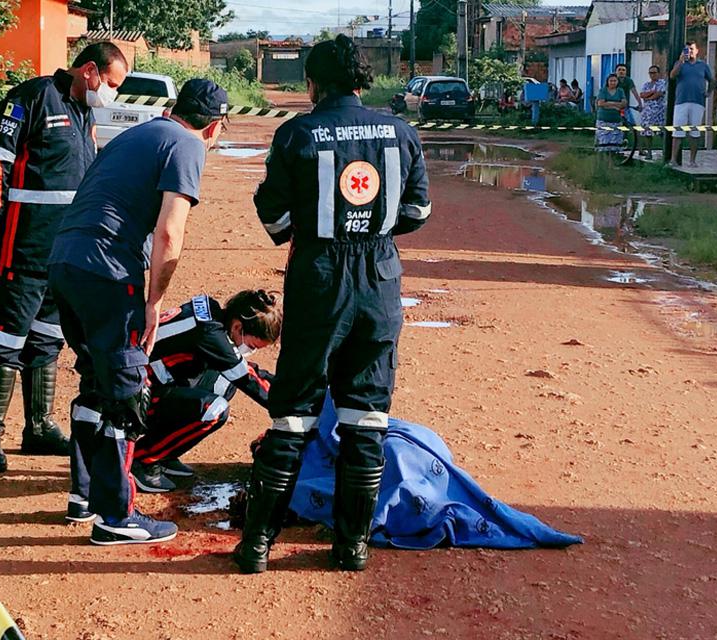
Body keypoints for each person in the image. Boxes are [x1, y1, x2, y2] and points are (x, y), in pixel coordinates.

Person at [236, 33, 431, 574]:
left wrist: (318, 227)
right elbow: (418, 213)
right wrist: (372, 230)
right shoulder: (401, 133)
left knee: (292, 413)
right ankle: (352, 548)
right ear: (363, 80)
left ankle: (256, 548)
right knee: (366, 417)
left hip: (318, 277)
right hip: (380, 279)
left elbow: (272, 215)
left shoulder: (296, 134)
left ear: (312, 82)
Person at [47, 79, 228, 544]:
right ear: (214, 125)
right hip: (110, 269)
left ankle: (83, 497)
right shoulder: (188, 144)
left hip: (66, 260)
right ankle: (117, 517)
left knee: (95, 380)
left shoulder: (139, 134)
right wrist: (154, 302)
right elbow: (170, 233)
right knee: (128, 391)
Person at [0, 43, 128, 473]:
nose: (108, 94)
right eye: (108, 84)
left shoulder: (84, 113)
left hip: (65, 252)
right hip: (22, 244)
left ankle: (39, 426)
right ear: (89, 70)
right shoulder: (32, 97)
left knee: (46, 337)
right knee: (4, 337)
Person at [129, 291, 281, 493]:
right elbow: (248, 379)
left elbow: (245, 368)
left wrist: (290, 387)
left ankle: (164, 452)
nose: (250, 350)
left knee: (223, 383)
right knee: (214, 409)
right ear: (237, 326)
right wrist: (290, 406)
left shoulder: (212, 319)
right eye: (252, 346)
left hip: (156, 380)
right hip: (134, 394)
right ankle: (142, 459)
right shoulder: (210, 334)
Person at [670, 41, 714, 168]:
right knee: (678, 132)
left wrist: (708, 92)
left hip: (697, 102)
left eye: (691, 49)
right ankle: (673, 159)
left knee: (694, 133)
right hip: (681, 101)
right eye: (686, 49)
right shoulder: (680, 64)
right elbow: (672, 76)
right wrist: (680, 62)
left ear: (696, 50)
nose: (689, 51)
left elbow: (711, 80)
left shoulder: (703, 66)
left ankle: (692, 160)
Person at [638, 65, 667, 159]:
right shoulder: (646, 84)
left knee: (662, 132)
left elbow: (659, 94)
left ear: (658, 73)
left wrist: (649, 96)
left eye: (654, 73)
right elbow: (642, 95)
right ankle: (649, 153)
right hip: (647, 113)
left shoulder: (662, 83)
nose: (652, 75)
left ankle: (665, 152)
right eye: (650, 73)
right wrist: (652, 93)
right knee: (647, 133)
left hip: (659, 112)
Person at [595, 73, 627, 148]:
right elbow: (600, 103)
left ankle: (614, 156)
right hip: (603, 119)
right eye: (611, 81)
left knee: (615, 141)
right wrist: (616, 105)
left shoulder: (620, 91)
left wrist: (608, 103)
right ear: (607, 81)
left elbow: (624, 103)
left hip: (616, 120)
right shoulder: (603, 90)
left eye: (615, 81)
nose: (613, 82)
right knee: (604, 141)